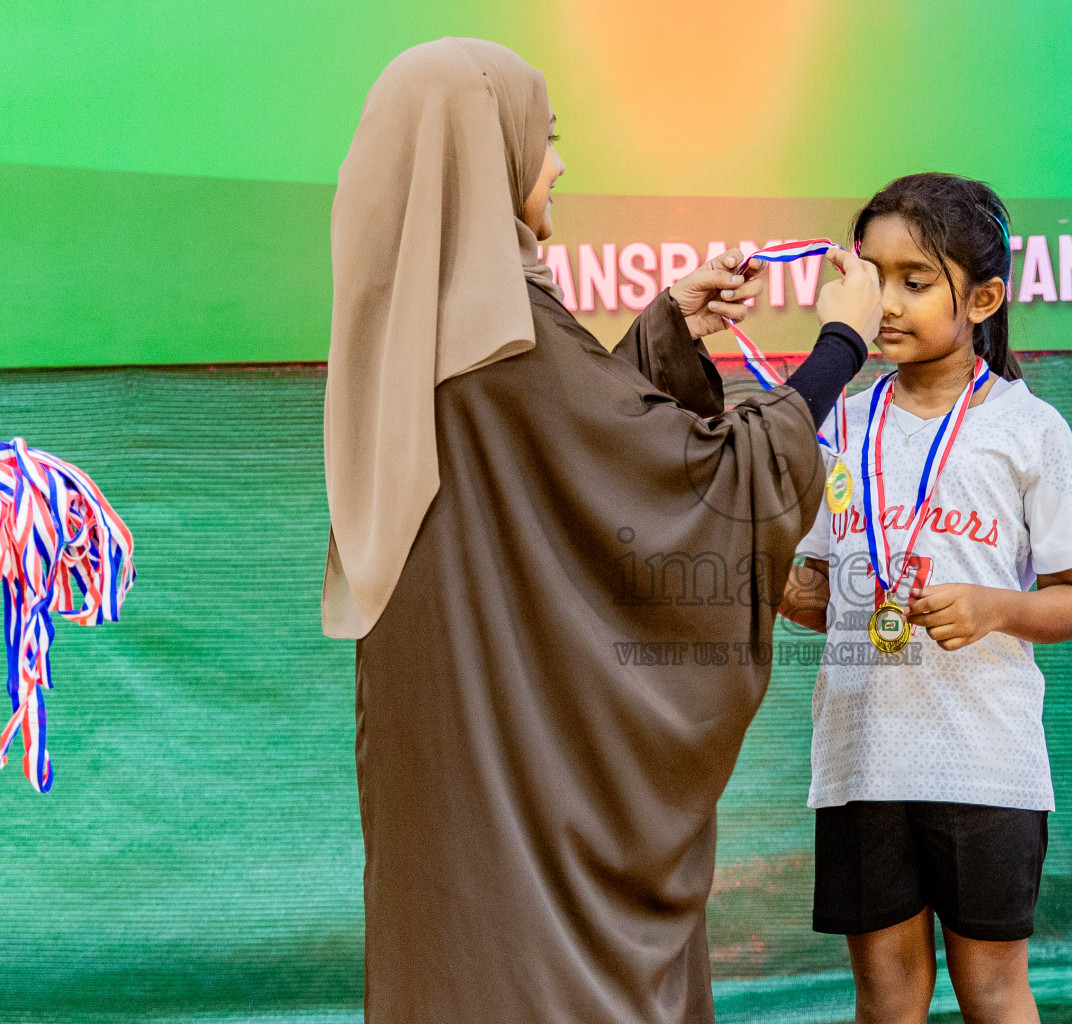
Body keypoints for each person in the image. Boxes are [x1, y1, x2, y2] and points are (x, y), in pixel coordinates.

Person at [321, 38, 882, 1024]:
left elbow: (567, 464)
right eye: (545, 141)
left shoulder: (420, 325)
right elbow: (703, 488)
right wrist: (839, 346)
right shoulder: (507, 334)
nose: (559, 167)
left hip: (453, 748)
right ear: (480, 152)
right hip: (521, 776)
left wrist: (665, 327)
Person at [780, 173, 1072, 1024]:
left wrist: (997, 608)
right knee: (885, 994)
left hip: (985, 760)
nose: (884, 302)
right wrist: (773, 579)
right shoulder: (835, 424)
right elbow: (819, 593)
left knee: (993, 989)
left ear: (985, 296)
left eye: (914, 280)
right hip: (860, 758)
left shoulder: (1031, 430)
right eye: (869, 275)